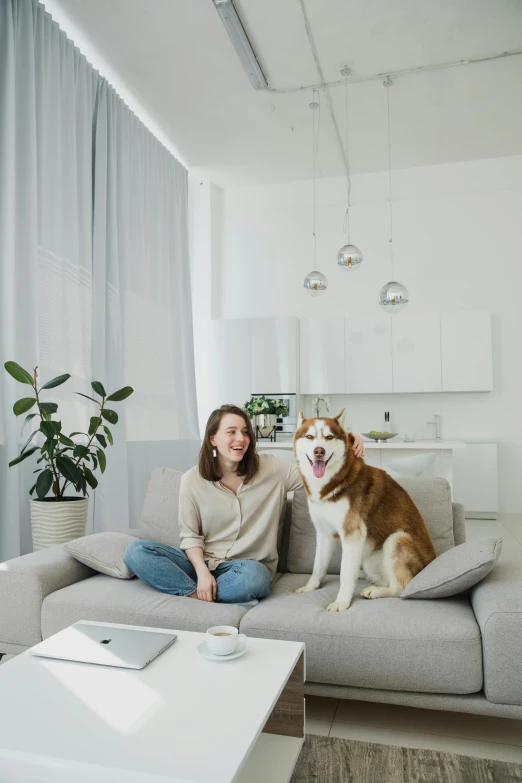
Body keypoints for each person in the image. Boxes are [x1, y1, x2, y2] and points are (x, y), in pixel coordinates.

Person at [124, 404, 365, 606]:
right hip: (202, 563)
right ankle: (197, 593)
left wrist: (348, 441)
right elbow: (190, 537)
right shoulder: (191, 480)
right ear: (213, 439)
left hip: (246, 569)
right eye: (231, 432)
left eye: (245, 432)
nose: (241, 438)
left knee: (255, 578)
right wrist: (202, 573)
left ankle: (193, 594)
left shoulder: (273, 469)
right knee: (136, 552)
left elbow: (323, 474)